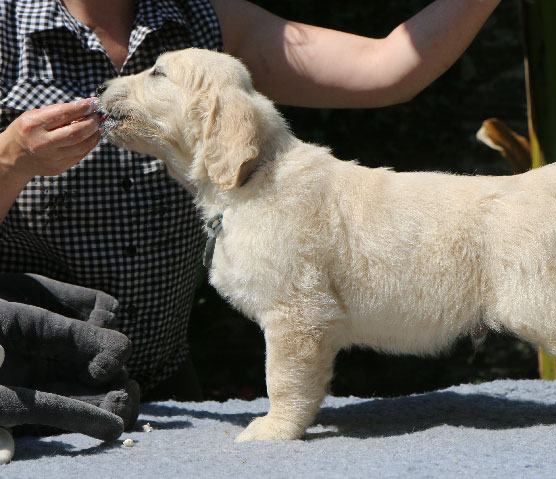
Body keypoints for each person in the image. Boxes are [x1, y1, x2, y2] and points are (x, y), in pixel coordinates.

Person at [0, 0, 502, 400]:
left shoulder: (206, 19)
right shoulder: (6, 28)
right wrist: (10, 160)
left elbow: (387, 66)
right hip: (23, 388)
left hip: (169, 387)